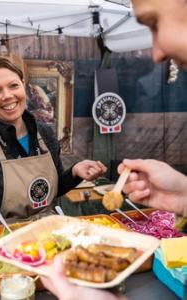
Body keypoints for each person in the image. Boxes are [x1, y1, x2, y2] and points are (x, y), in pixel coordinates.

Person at [41, 0, 187, 298]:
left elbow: (53, 183)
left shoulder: (44, 132)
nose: (157, 53)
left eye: (155, 23)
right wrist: (185, 196)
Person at [0, 56, 106, 229]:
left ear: (23, 85)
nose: (8, 96)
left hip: (47, 236)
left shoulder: (45, 134)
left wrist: (74, 173)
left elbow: (48, 190)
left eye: (14, 86)